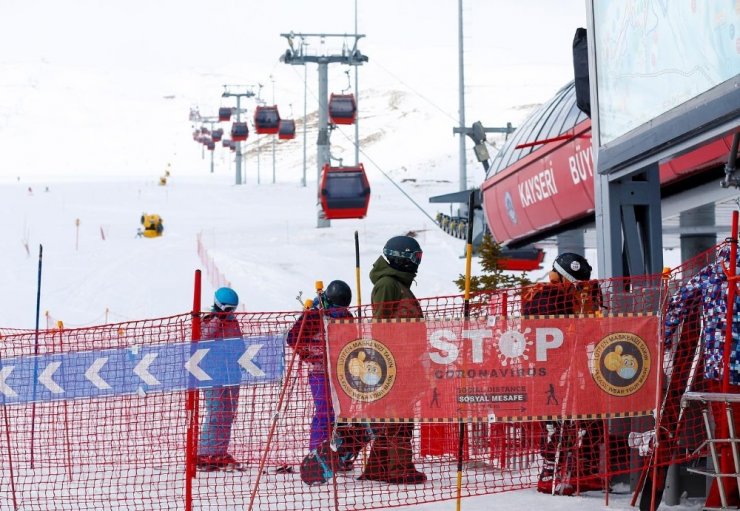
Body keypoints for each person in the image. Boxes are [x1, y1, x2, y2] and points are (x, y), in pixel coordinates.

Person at [522, 252, 604, 495]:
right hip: (553, 371)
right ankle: (551, 473)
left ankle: (579, 470)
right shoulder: (546, 297)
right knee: (558, 423)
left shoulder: (566, 296)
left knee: (584, 420)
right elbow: (555, 334)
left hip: (570, 367)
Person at [358, 234, 427, 484]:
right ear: (402, 257)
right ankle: (400, 469)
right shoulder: (388, 284)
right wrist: (388, 361)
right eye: (415, 257)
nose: (418, 262)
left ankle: (378, 467)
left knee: (396, 417)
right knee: (400, 417)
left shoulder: (399, 284)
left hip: (406, 361)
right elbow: (381, 325)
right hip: (396, 363)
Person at [287, 280, 354, 453]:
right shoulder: (314, 316)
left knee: (342, 414)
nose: (340, 314)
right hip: (319, 371)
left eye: (343, 310)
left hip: (341, 372)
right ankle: (316, 452)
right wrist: (310, 353)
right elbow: (293, 339)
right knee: (325, 413)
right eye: (337, 310)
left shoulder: (347, 317)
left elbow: (354, 340)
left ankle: (338, 452)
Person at [196, 287, 244, 471]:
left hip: (231, 374)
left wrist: (247, 359)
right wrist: (218, 319)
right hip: (211, 373)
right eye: (227, 309)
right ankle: (205, 453)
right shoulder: (207, 321)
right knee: (215, 412)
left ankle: (219, 452)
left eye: (232, 309)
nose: (229, 313)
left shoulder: (233, 322)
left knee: (228, 414)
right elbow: (203, 338)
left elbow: (238, 343)